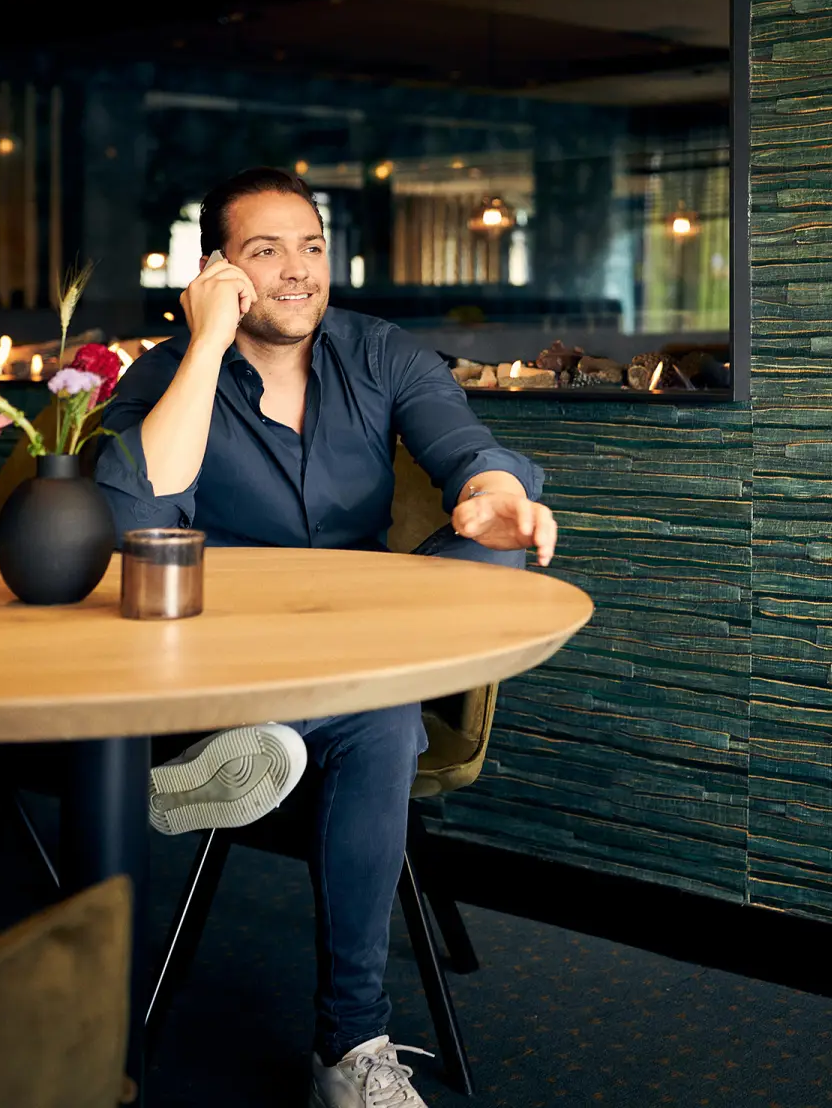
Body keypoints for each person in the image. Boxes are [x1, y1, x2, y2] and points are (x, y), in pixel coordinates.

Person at [97, 166, 557, 1108]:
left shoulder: (378, 352)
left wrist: (497, 499)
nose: (298, 271)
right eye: (264, 251)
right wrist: (205, 342)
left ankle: (281, 745)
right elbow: (137, 508)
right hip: (224, 655)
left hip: (360, 643)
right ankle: (349, 1049)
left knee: (475, 582)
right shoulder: (166, 372)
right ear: (217, 269)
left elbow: (463, 446)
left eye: (310, 246)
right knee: (384, 713)